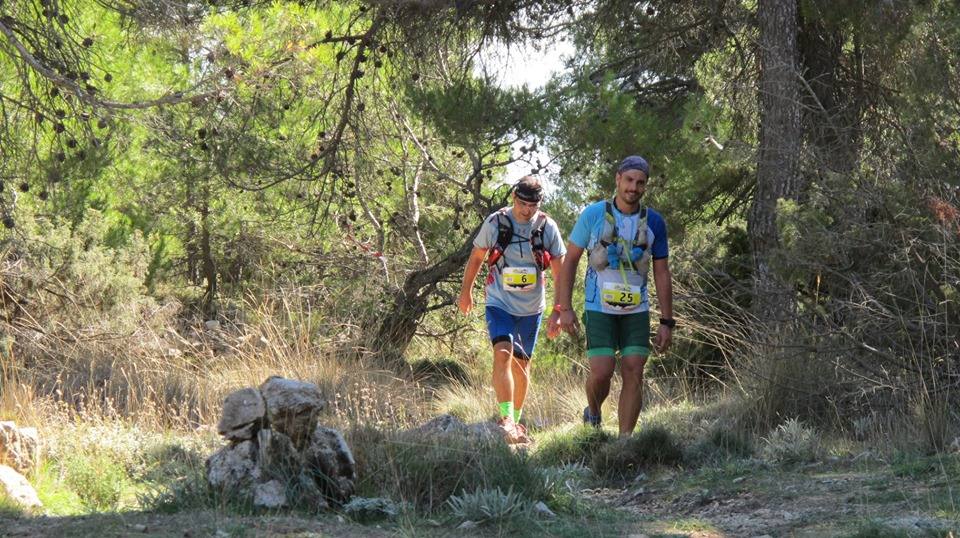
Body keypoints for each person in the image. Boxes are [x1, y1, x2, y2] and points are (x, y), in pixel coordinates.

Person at [548, 155, 674, 436]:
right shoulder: (593, 215)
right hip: (599, 307)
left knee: (634, 371)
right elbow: (570, 261)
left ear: (645, 186)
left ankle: (625, 442)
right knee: (602, 371)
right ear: (617, 179)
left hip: (636, 310)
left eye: (640, 183)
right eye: (629, 180)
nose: (633, 187)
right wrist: (564, 308)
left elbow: (662, 272)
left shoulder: (654, 222)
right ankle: (593, 413)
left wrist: (667, 321)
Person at [459, 176, 566, 443]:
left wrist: (559, 310)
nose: (526, 210)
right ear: (513, 199)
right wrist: (466, 292)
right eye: (522, 203)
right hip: (499, 301)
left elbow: (560, 271)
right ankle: (505, 419)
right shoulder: (496, 222)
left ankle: (516, 421)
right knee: (502, 353)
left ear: (539, 204)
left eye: (532, 205)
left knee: (521, 365)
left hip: (532, 307)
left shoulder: (546, 227)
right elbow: (476, 257)